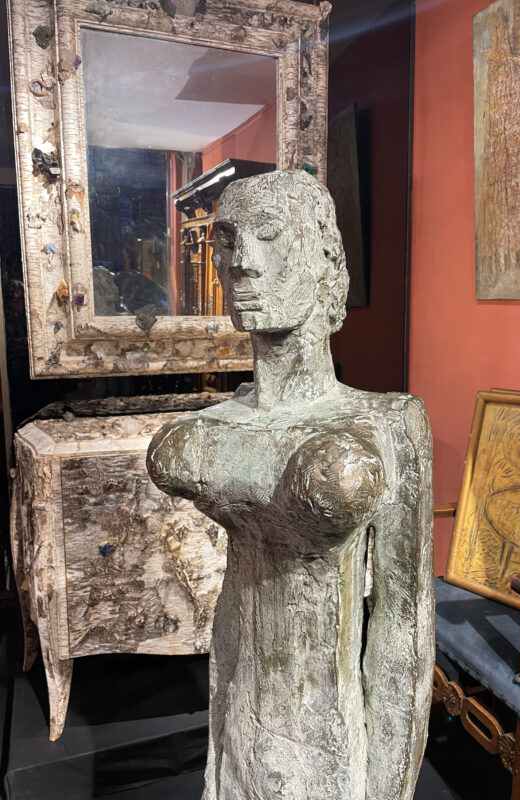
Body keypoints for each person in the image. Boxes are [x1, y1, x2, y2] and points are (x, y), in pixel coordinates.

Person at [147, 169, 433, 800]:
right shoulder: (212, 427)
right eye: (227, 240)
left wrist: (389, 789)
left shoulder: (388, 422)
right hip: (238, 720)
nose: (241, 263)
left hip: (328, 742)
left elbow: (404, 628)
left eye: (270, 235)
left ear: (324, 258)